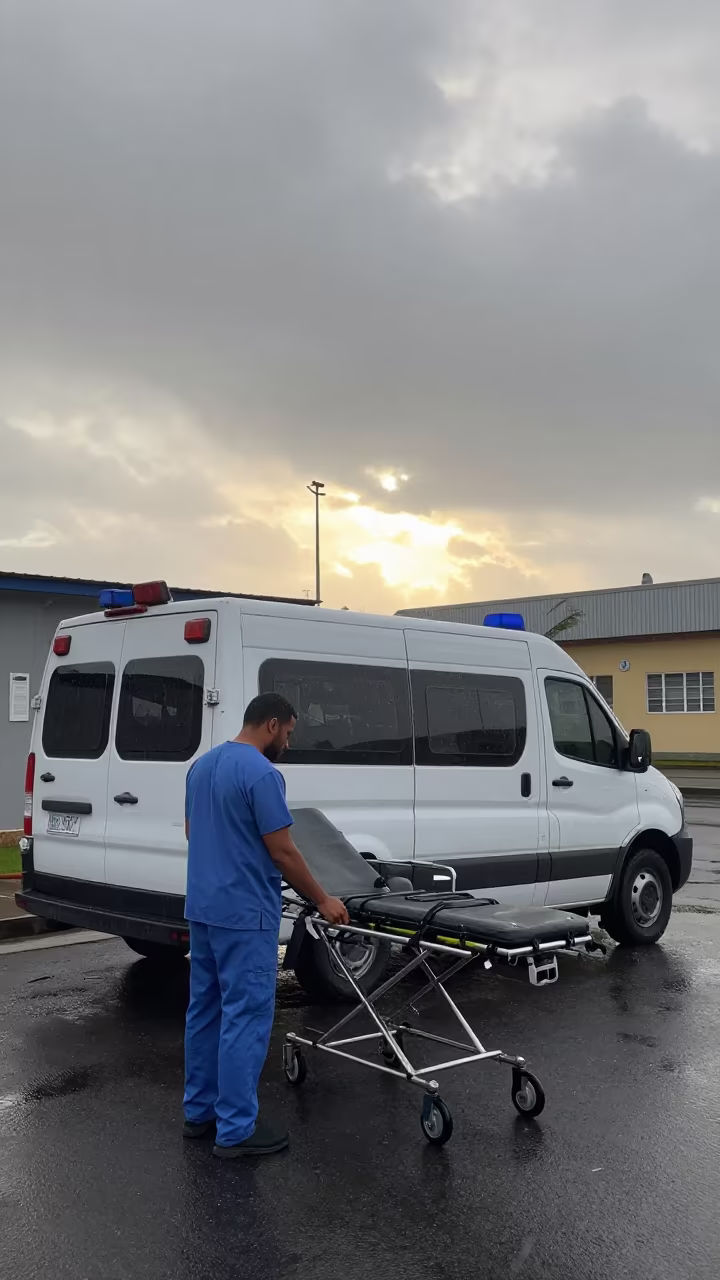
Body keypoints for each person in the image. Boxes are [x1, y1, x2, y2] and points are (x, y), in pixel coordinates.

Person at [182, 692, 349, 1158]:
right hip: (244, 914)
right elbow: (282, 851)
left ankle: (199, 1115)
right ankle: (235, 1131)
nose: (289, 743)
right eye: (290, 733)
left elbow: (193, 833)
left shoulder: (201, 766)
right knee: (246, 1016)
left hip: (203, 909)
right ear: (272, 725)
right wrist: (322, 898)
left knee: (205, 1011)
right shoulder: (261, 773)